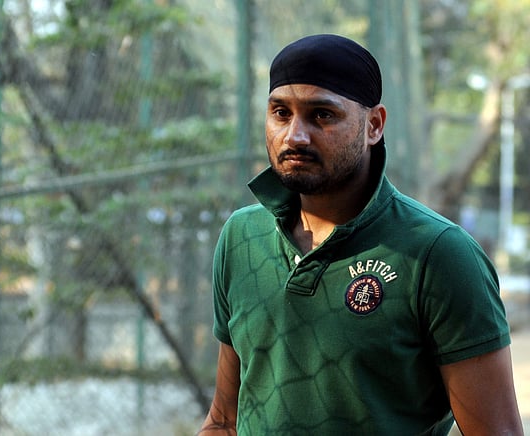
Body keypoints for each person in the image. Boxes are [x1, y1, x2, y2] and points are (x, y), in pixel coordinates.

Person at [198, 34, 523, 435]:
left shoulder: (439, 253)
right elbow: (224, 421)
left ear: (374, 125)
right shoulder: (242, 235)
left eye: (322, 115)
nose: (295, 136)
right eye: (281, 112)